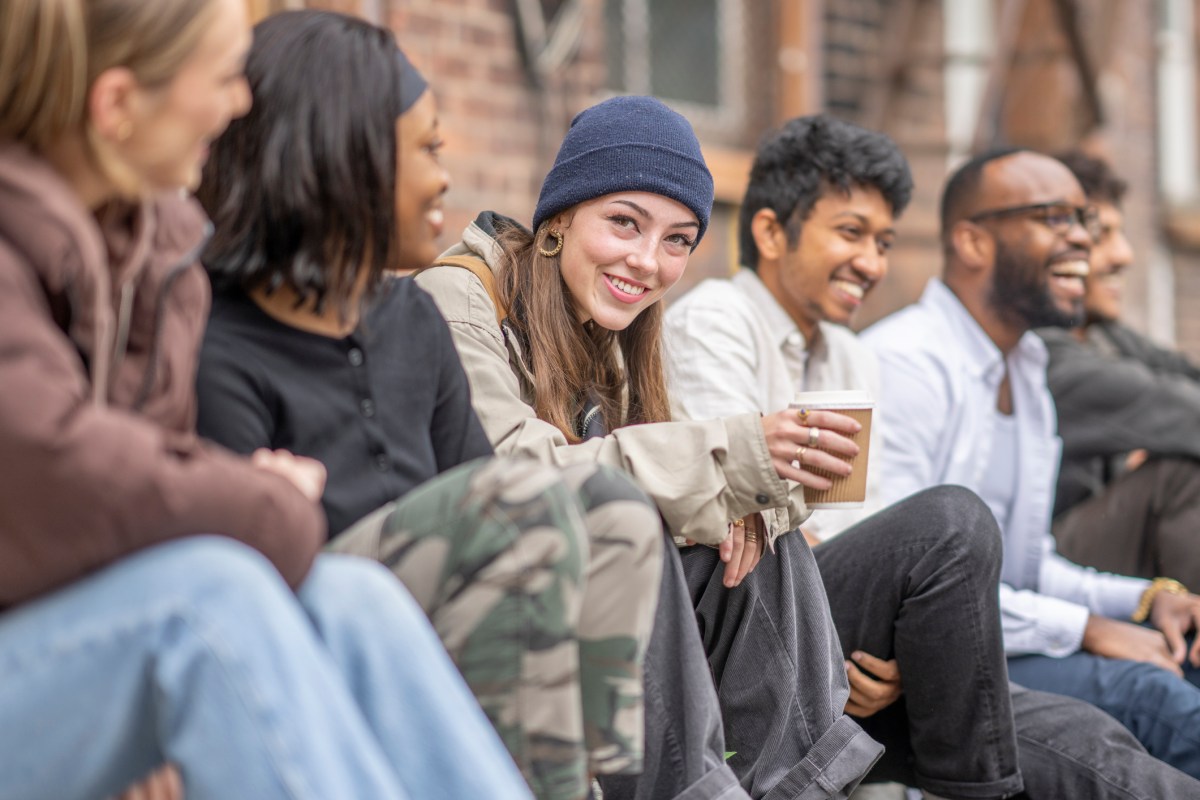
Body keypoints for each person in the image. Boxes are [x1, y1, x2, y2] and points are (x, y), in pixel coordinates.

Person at [0, 1, 532, 799]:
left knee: (355, 598)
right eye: (221, 77)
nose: (241, 103)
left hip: (70, 639)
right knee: (214, 599)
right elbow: (52, 467)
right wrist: (261, 502)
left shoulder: (154, 254)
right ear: (115, 106)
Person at [192, 12, 662, 800]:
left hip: (430, 619)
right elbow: (230, 577)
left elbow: (473, 484)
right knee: (522, 502)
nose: (447, 177)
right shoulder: (213, 337)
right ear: (345, 159)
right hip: (311, 620)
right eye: (430, 149)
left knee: (614, 511)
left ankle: (591, 785)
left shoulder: (409, 316)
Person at [664, 113, 1200, 799]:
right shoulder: (716, 320)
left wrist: (895, 647)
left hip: (862, 638)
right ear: (770, 231)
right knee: (952, 522)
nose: (874, 263)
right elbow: (738, 520)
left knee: (1089, 742)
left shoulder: (850, 353)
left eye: (884, 241)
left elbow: (872, 524)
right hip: (755, 633)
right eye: (851, 233)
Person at [418, 96, 909, 800]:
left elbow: (678, 471)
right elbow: (521, 479)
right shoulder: (459, 300)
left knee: (755, 539)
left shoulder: (607, 338)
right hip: (473, 607)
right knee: (648, 527)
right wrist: (738, 467)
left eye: (678, 239)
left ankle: (803, 786)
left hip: (576, 604)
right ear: (559, 216)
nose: (648, 262)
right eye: (624, 222)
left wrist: (752, 504)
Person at [862, 147, 1200, 777]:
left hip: (1008, 634)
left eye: (1083, 219)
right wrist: (1093, 629)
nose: (1083, 239)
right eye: (1053, 218)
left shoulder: (1028, 368)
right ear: (972, 241)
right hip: (927, 671)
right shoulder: (903, 364)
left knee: (1186, 659)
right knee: (1158, 699)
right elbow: (913, 592)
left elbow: (1027, 563)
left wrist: (1148, 600)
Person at [1037, 150, 1200, 587]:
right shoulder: (1041, 349)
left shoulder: (1103, 333)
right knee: (1181, 472)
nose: (1124, 255)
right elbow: (1183, 409)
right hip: (1043, 570)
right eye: (1103, 234)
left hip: (1095, 549)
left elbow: (1185, 375)